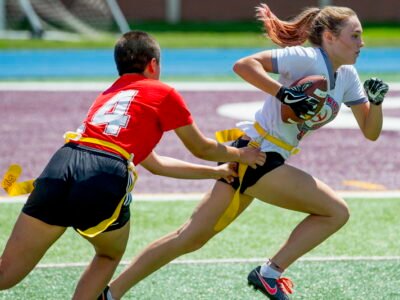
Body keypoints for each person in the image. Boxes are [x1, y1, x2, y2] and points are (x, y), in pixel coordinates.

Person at [98, 4, 389, 300]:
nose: (361, 43)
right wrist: (282, 92)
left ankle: (109, 294)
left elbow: (371, 131)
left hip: (256, 157)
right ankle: (269, 274)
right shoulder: (307, 58)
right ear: (329, 37)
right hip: (258, 153)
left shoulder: (349, 76)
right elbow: (243, 65)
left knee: (189, 238)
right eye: (355, 35)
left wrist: (376, 103)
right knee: (335, 211)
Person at [0, 30, 266, 300]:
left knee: (6, 273)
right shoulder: (163, 92)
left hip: (63, 161)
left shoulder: (108, 95)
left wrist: (217, 171)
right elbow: (202, 147)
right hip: (104, 171)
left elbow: (157, 164)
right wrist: (241, 156)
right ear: (153, 64)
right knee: (108, 253)